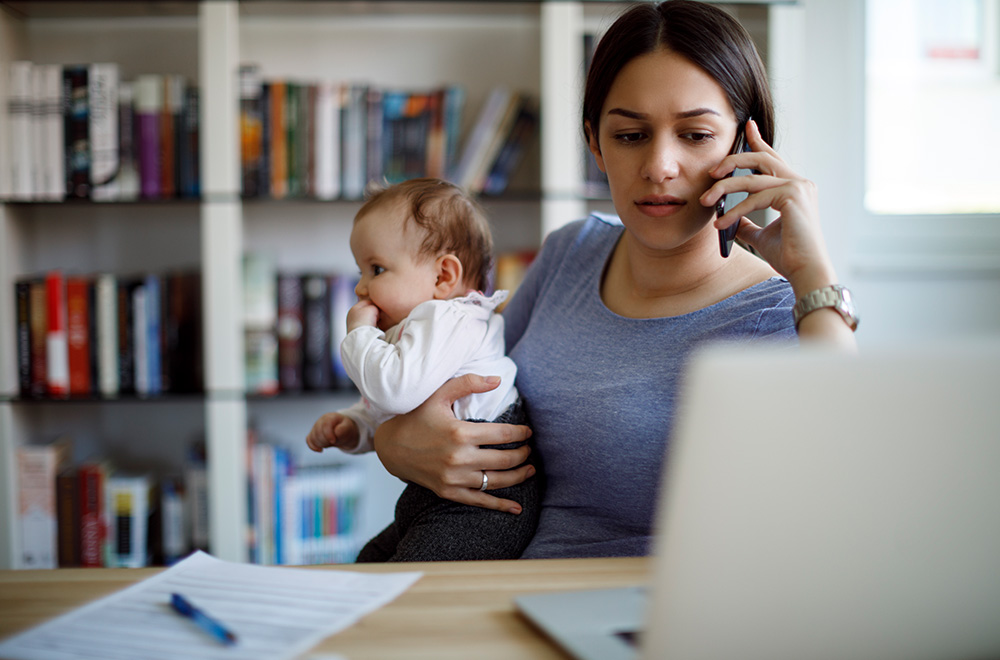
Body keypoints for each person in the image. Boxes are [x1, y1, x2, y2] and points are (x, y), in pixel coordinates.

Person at [366, 0, 859, 561]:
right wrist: (392, 440)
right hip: (502, 593)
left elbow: (844, 485)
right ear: (595, 142)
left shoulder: (783, 314)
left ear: (746, 147)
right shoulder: (571, 251)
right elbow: (459, 380)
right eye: (631, 135)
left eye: (695, 135)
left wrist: (812, 273)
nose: (660, 166)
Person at [305, 177, 539, 562]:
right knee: (370, 562)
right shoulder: (422, 326)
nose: (361, 288)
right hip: (437, 493)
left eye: (376, 269)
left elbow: (395, 390)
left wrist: (359, 333)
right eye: (361, 272)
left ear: (443, 277)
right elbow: (401, 407)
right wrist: (356, 425)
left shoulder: (449, 318)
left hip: (482, 505)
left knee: (410, 584)